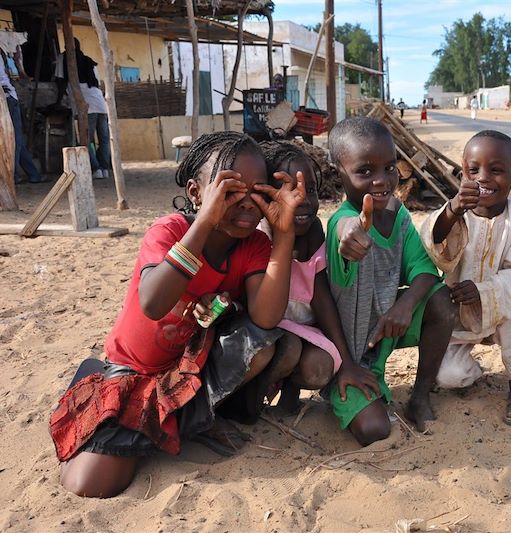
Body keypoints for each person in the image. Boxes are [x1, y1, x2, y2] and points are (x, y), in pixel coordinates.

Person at [49, 132, 307, 498]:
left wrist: (282, 236)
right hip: (136, 372)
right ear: (196, 192)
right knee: (90, 484)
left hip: (190, 371)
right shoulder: (170, 230)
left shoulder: (254, 245)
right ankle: (146, 420)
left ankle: (186, 422)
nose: (248, 202)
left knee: (263, 343)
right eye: (230, 190)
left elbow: (265, 318)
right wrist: (203, 223)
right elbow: (153, 303)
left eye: (258, 191)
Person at [326, 117, 454, 446]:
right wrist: (351, 236)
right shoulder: (341, 223)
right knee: (374, 431)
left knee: (441, 299)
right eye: (365, 171)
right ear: (338, 171)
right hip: (350, 354)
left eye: (390, 167)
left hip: (387, 330)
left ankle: (420, 396)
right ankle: (348, 392)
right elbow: (345, 232)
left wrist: (405, 305)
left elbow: (425, 270)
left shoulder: (398, 214)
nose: (382, 181)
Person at [420, 130, 511, 425]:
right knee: (450, 376)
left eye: (496, 171)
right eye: (473, 170)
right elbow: (433, 244)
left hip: (504, 310)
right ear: (462, 174)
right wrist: (451, 211)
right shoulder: (455, 211)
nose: (483, 178)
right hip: (459, 313)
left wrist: (485, 291)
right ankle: (472, 372)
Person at [259, 141, 380, 414]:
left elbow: (320, 296)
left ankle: (290, 395)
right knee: (287, 349)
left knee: (320, 368)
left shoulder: (312, 230)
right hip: (265, 330)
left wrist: (348, 364)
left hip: (303, 326)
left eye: (310, 191)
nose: (302, 201)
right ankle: (251, 399)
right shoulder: (259, 234)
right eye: (290, 191)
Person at [54, 39, 111, 179]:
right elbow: (97, 82)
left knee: (86, 139)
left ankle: (96, 168)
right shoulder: (89, 61)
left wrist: (58, 101)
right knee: (104, 138)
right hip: (100, 102)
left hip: (84, 103)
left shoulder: (63, 58)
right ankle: (105, 169)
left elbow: (60, 80)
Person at [1, 48, 44, 184]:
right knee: (15, 139)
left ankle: (17, 175)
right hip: (7, 97)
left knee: (15, 139)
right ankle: (19, 175)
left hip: (6, 98)